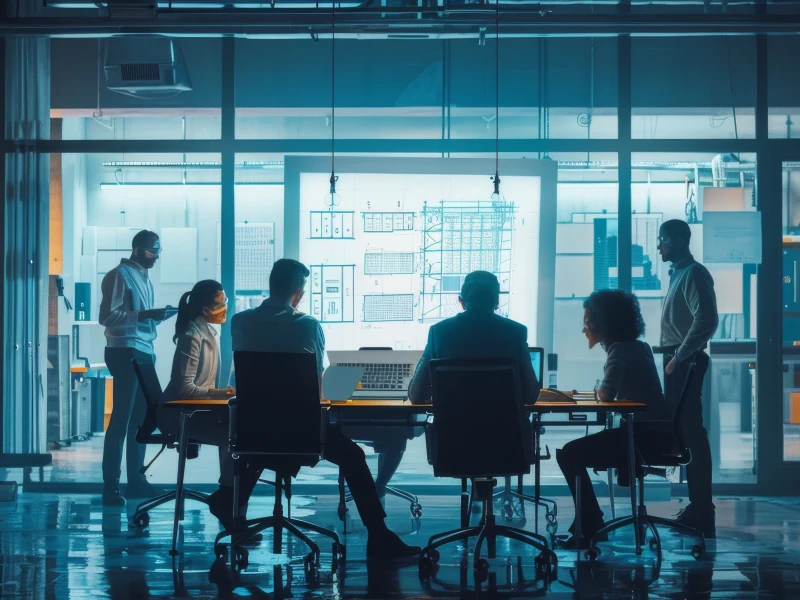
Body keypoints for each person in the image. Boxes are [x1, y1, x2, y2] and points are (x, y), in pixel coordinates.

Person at [214, 258, 420, 560]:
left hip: (253, 433)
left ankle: (227, 500)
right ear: (298, 292)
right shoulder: (307, 325)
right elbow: (319, 387)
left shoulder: (241, 322)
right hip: (303, 435)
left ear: (272, 285)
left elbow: (238, 380)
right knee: (353, 455)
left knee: (260, 451)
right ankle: (379, 536)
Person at [555, 289, 675, 549]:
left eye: (588, 321)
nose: (584, 329)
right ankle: (590, 523)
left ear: (605, 323)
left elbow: (607, 394)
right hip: (660, 435)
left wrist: (600, 389)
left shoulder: (619, 350)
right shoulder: (639, 347)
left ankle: (590, 526)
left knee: (568, 454)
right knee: (573, 452)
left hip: (643, 438)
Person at [99, 230, 176, 505]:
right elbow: (107, 317)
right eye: (153, 250)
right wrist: (148, 314)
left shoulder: (143, 277)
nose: (156, 256)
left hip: (143, 350)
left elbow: (137, 317)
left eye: (159, 251)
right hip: (125, 350)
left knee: (143, 420)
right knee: (121, 419)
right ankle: (110, 487)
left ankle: (136, 481)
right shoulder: (119, 275)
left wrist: (156, 316)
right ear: (138, 249)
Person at [658, 219, 719, 537]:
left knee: (692, 433)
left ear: (681, 240)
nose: (659, 246)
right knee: (687, 432)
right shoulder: (679, 274)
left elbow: (707, 320)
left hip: (685, 361)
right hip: (678, 359)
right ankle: (698, 508)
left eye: (664, 240)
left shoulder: (694, 273)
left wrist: (679, 356)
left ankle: (702, 510)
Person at [408, 270, 539, 406]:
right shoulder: (516, 332)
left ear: (461, 301)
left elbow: (417, 395)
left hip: (452, 427)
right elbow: (530, 395)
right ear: (497, 301)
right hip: (505, 427)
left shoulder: (439, 332)